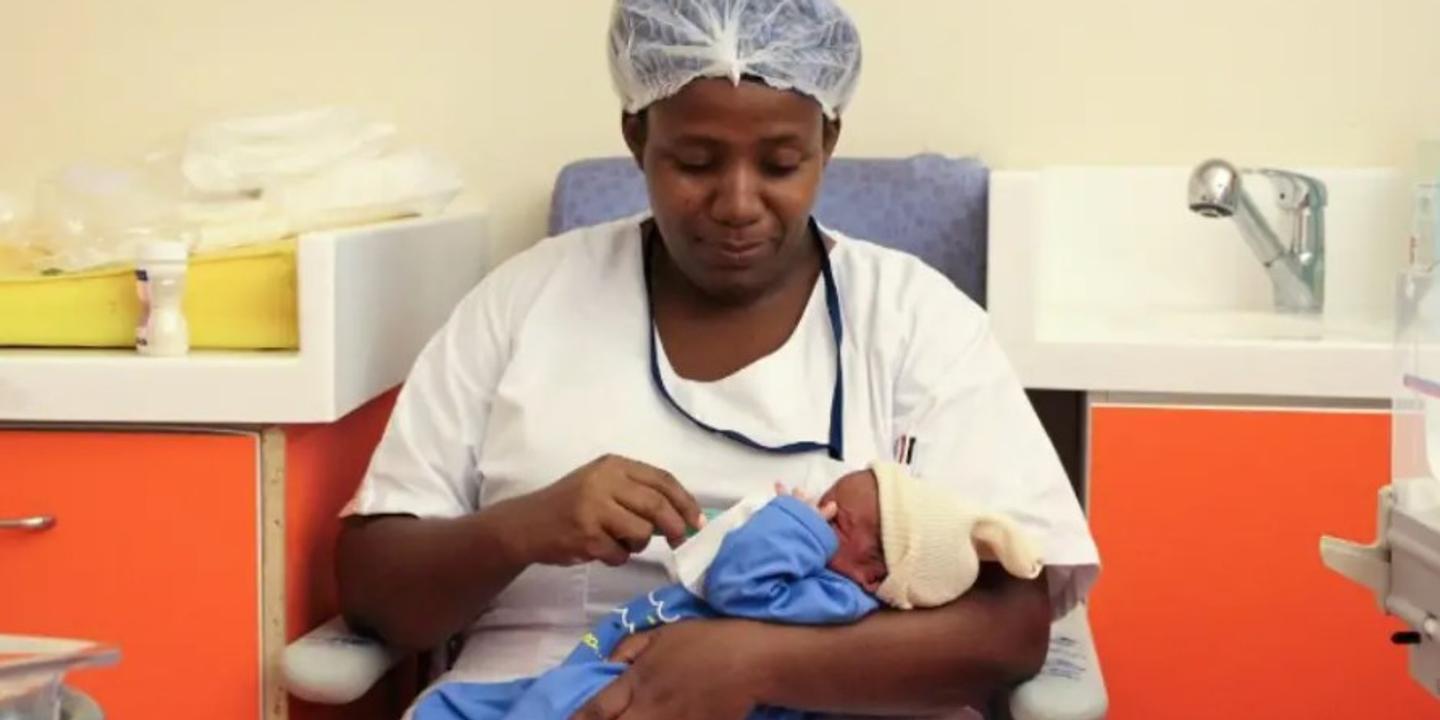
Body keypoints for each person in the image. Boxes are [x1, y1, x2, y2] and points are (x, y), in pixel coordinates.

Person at [336, 1, 1101, 718]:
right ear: (638, 136)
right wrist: (521, 529)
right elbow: (376, 590)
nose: (737, 202)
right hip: (542, 687)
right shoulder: (522, 304)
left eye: (779, 163)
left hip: (840, 691)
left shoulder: (916, 321)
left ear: (828, 139)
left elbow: (1010, 627)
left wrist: (759, 665)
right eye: (696, 161)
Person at [410, 464, 1046, 720]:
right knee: (478, 705)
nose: (816, 512)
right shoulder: (827, 581)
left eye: (834, 521)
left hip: (648, 686)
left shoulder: (841, 603)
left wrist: (793, 526)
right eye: (822, 502)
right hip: (601, 655)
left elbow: (741, 587)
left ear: (877, 573)